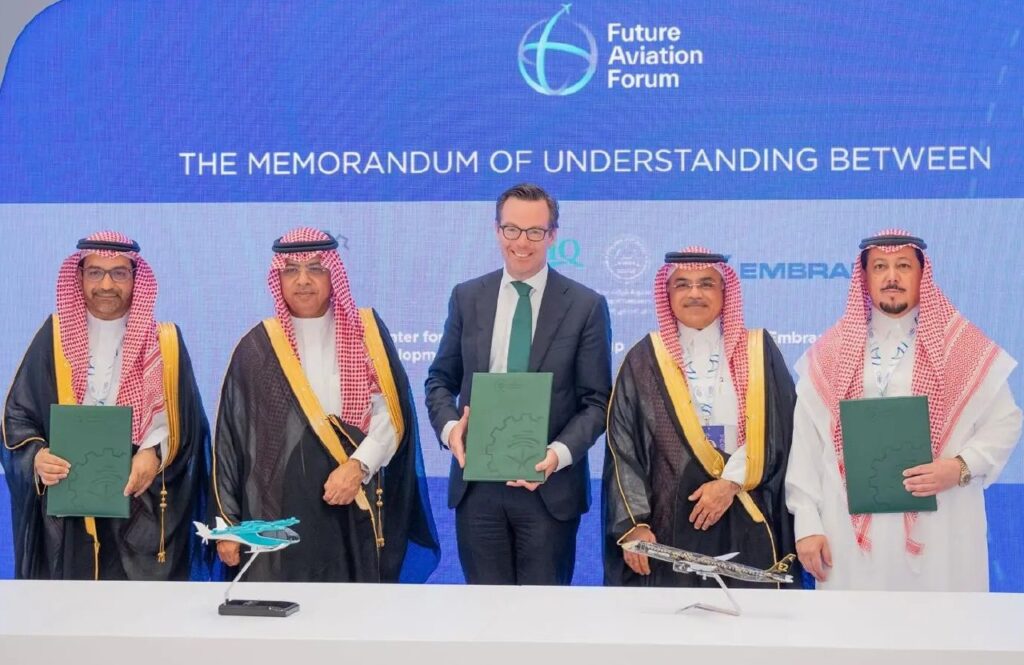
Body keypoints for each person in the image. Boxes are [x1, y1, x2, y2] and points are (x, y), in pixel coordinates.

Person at [786, 229, 1022, 591]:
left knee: (942, 620)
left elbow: (1005, 422)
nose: (891, 277)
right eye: (880, 267)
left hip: (943, 526)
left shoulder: (962, 347)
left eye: (903, 266)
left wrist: (960, 467)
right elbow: (806, 444)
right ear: (865, 277)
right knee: (854, 623)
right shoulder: (831, 353)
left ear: (922, 275)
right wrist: (807, 524)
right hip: (847, 534)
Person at [213, 227, 439, 582]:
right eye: (291, 270)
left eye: (315, 268)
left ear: (333, 273)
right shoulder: (257, 346)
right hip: (281, 509)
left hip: (353, 497)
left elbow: (391, 415)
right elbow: (230, 441)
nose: (303, 280)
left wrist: (359, 466)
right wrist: (228, 525)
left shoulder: (366, 332)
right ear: (278, 278)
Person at [425, 183, 612, 585]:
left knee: (544, 615)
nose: (521, 242)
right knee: (484, 612)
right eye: (511, 229)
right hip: (477, 487)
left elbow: (597, 402)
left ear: (553, 235)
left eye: (534, 232)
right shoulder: (467, 297)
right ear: (497, 230)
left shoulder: (585, 305)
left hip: (549, 489)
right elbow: (440, 379)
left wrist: (556, 455)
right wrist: (450, 429)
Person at [1, 231, 209, 580]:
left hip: (140, 504)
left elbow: (190, 427)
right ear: (80, 277)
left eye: (119, 273)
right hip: (69, 506)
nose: (107, 284)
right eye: (95, 272)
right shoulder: (53, 336)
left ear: (135, 277)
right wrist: (37, 457)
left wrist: (154, 454)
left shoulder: (166, 342)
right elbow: (17, 417)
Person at [603, 248, 798, 587]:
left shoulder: (758, 349)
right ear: (667, 293)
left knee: (753, 610)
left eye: (706, 283)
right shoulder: (644, 358)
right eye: (682, 284)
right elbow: (623, 446)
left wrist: (730, 482)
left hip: (747, 507)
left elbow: (780, 429)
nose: (694, 293)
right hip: (667, 522)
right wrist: (634, 523)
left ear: (725, 291)